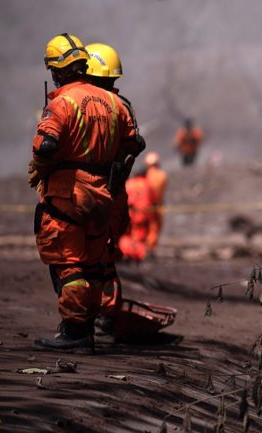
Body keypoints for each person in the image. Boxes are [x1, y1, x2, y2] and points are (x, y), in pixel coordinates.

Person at [29, 33, 138, 352]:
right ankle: (91, 321)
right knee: (94, 262)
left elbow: (46, 145)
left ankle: (76, 331)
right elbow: (133, 144)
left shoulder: (62, 102)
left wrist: (39, 166)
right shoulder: (115, 102)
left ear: (58, 70)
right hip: (103, 193)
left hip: (69, 194)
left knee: (69, 263)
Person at [84, 42, 147, 335]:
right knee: (106, 254)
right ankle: (105, 313)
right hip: (116, 192)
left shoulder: (80, 103)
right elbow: (136, 144)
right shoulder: (123, 106)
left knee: (79, 255)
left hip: (88, 192)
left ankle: (82, 316)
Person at [118, 168, 157, 262]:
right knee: (140, 235)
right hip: (144, 214)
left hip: (130, 214)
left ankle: (127, 253)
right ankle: (140, 254)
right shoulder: (147, 184)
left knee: (128, 234)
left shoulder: (130, 183)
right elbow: (153, 199)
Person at [144, 151, 167, 251]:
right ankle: (150, 249)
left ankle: (144, 249)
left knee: (145, 227)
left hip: (144, 206)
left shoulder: (145, 176)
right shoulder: (162, 175)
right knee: (155, 228)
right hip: (157, 205)